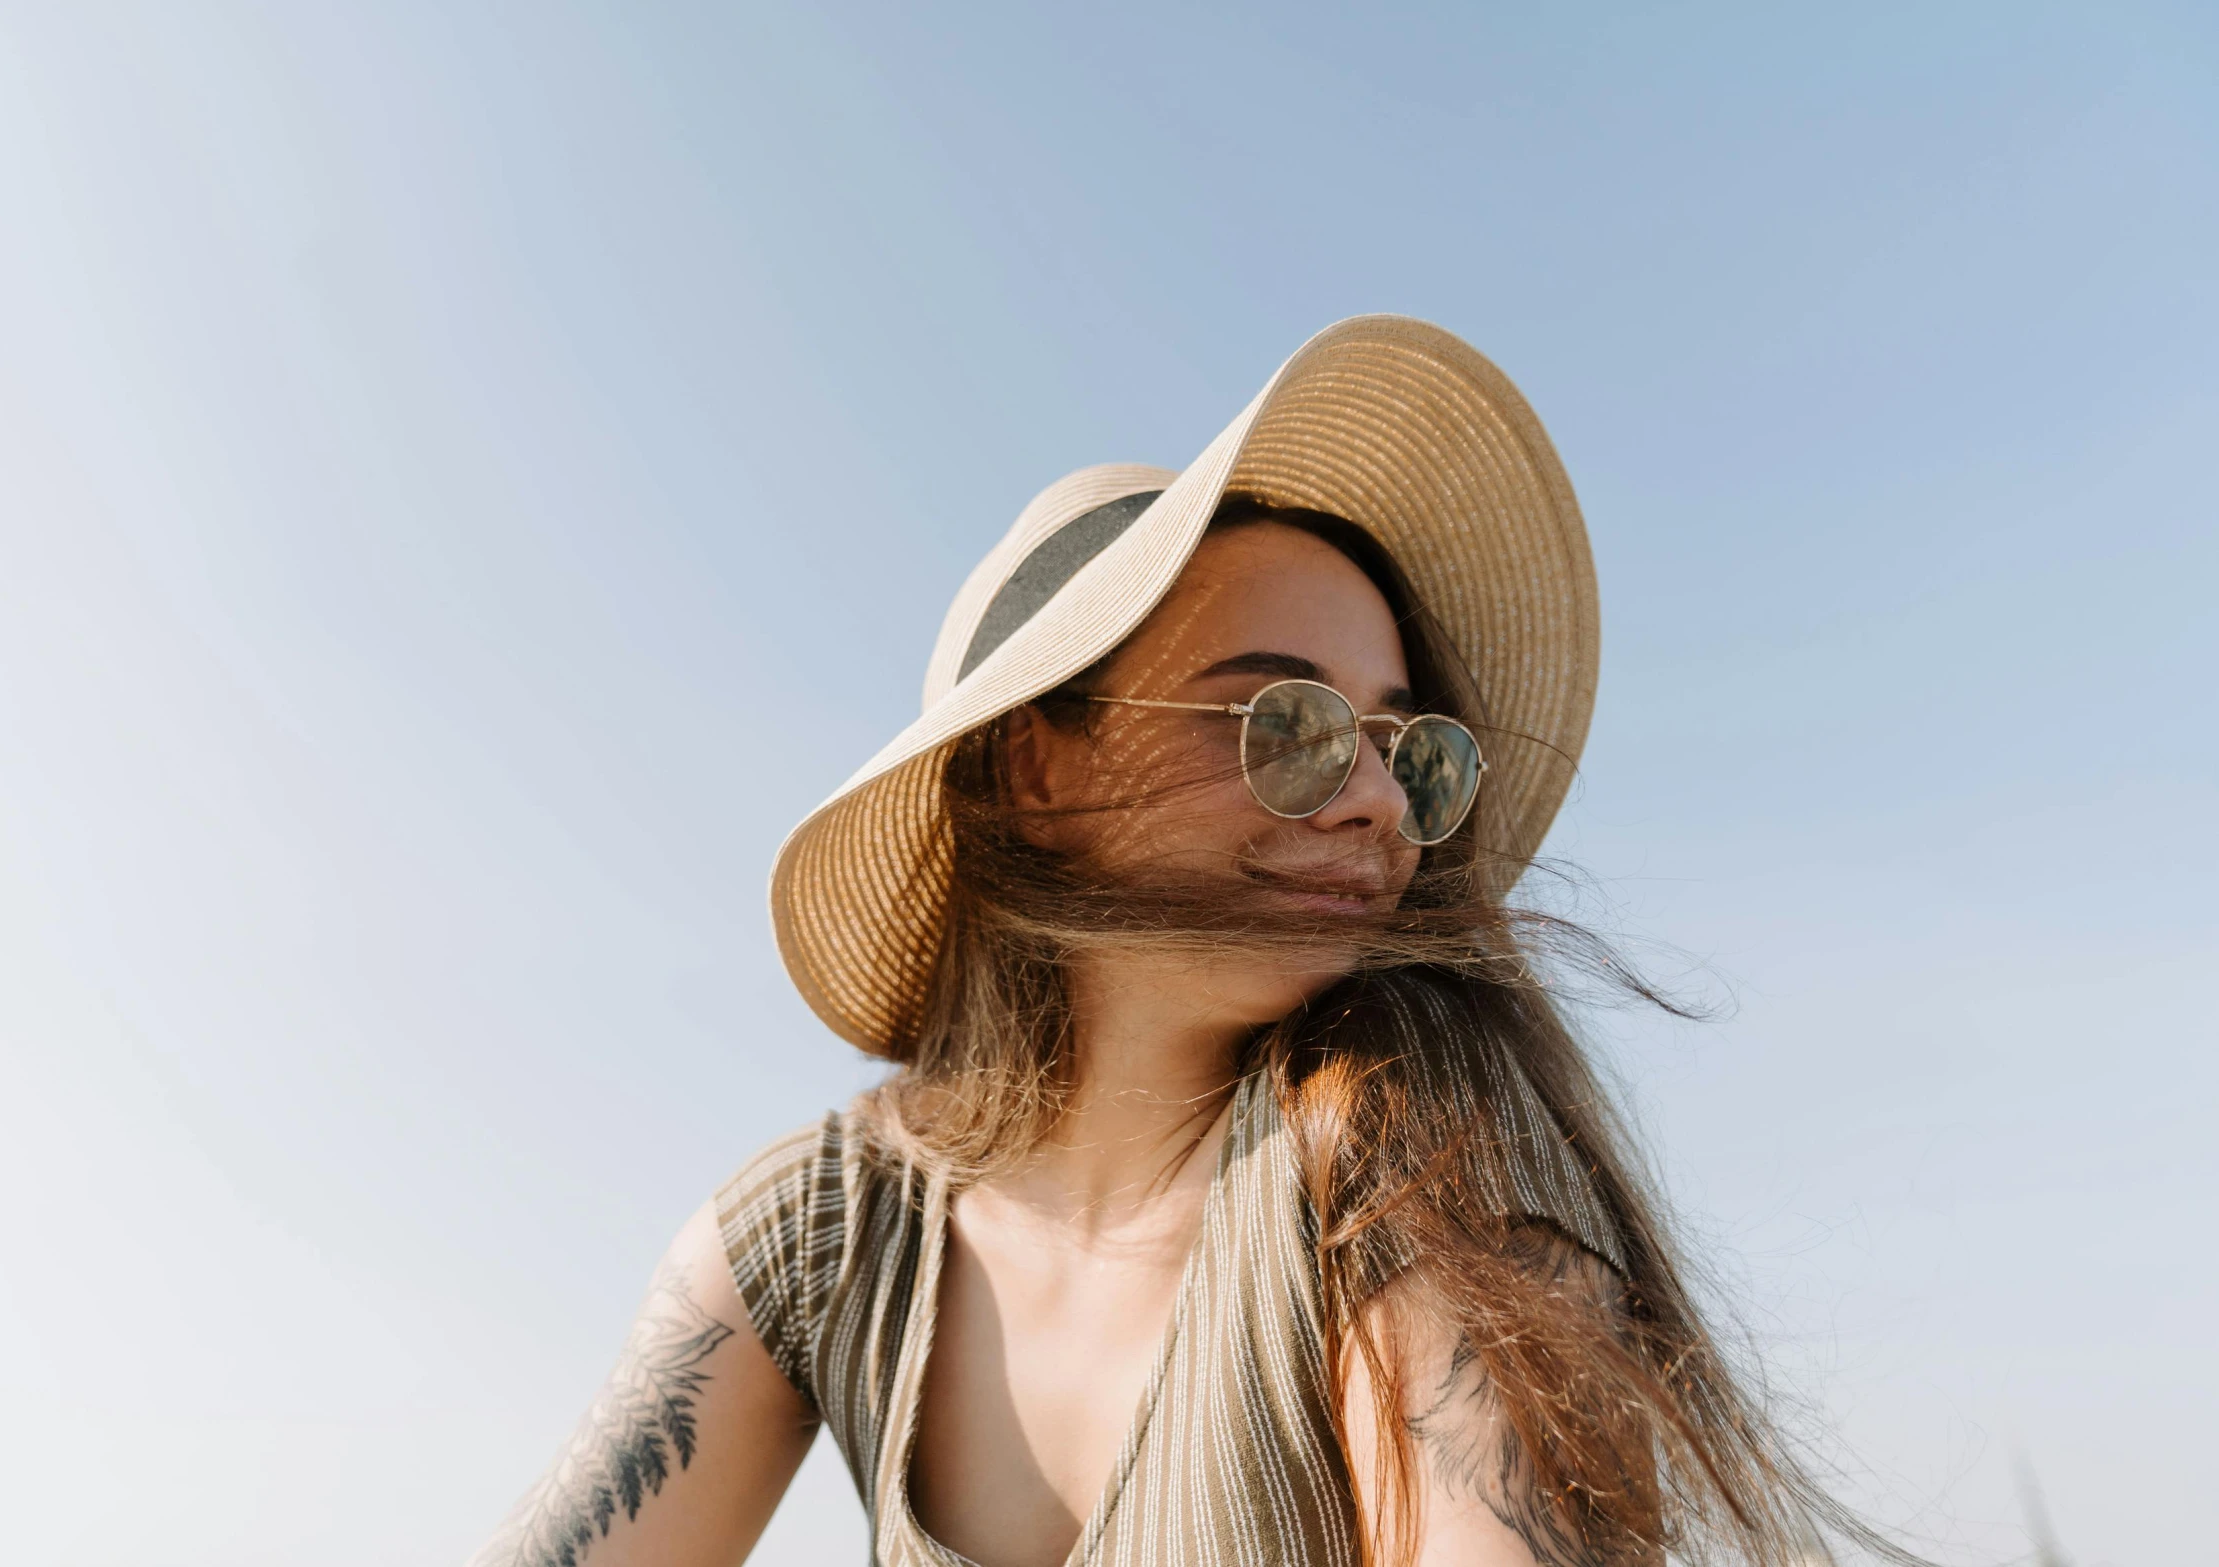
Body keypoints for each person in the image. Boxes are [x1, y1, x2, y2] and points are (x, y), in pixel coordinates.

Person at [469, 317, 1893, 1567]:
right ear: (1037, 767)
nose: (1380, 803)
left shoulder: (1412, 1153)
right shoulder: (821, 1237)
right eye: (1285, 725)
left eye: (1410, 749)